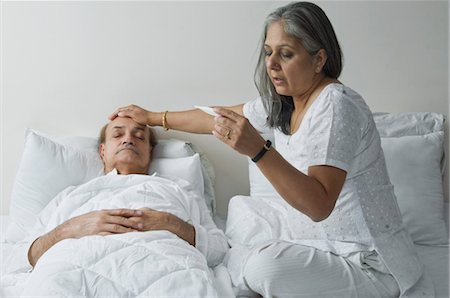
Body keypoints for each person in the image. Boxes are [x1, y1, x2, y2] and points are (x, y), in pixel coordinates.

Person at [109, 2, 432, 297]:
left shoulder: (336, 105)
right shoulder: (286, 103)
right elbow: (218, 119)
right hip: (322, 245)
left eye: (286, 54)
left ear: (319, 59)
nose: (272, 65)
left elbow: (319, 205)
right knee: (245, 230)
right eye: (267, 52)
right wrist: (152, 117)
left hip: (371, 264)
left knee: (263, 267)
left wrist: (259, 151)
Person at [5, 117, 228, 296]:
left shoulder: (179, 189)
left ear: (151, 151)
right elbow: (17, 259)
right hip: (71, 268)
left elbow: (219, 251)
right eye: (118, 134)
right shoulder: (71, 196)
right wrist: (69, 229)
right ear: (102, 151)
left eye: (139, 136)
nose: (128, 139)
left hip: (166, 267)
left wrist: (173, 224)